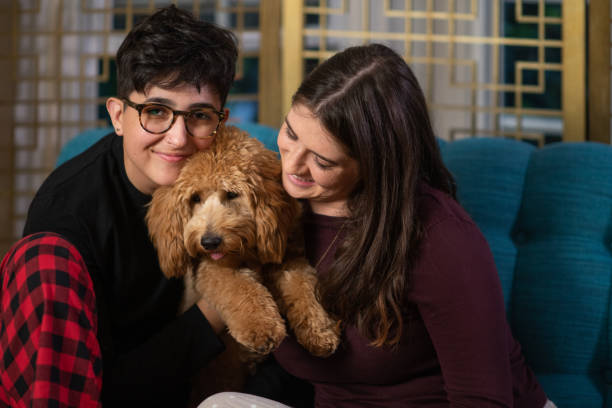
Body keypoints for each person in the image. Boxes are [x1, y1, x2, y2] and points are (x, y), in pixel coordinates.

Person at [245, 43, 556, 407]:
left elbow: (483, 398)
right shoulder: (273, 206)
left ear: (373, 164)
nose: (293, 166)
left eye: (322, 161)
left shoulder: (440, 237)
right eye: (291, 133)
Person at [1, 6, 234, 407]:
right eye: (156, 112)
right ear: (118, 116)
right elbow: (97, 391)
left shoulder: (223, 179)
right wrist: (217, 311)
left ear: (220, 122)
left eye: (198, 116)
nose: (178, 139)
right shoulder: (65, 228)